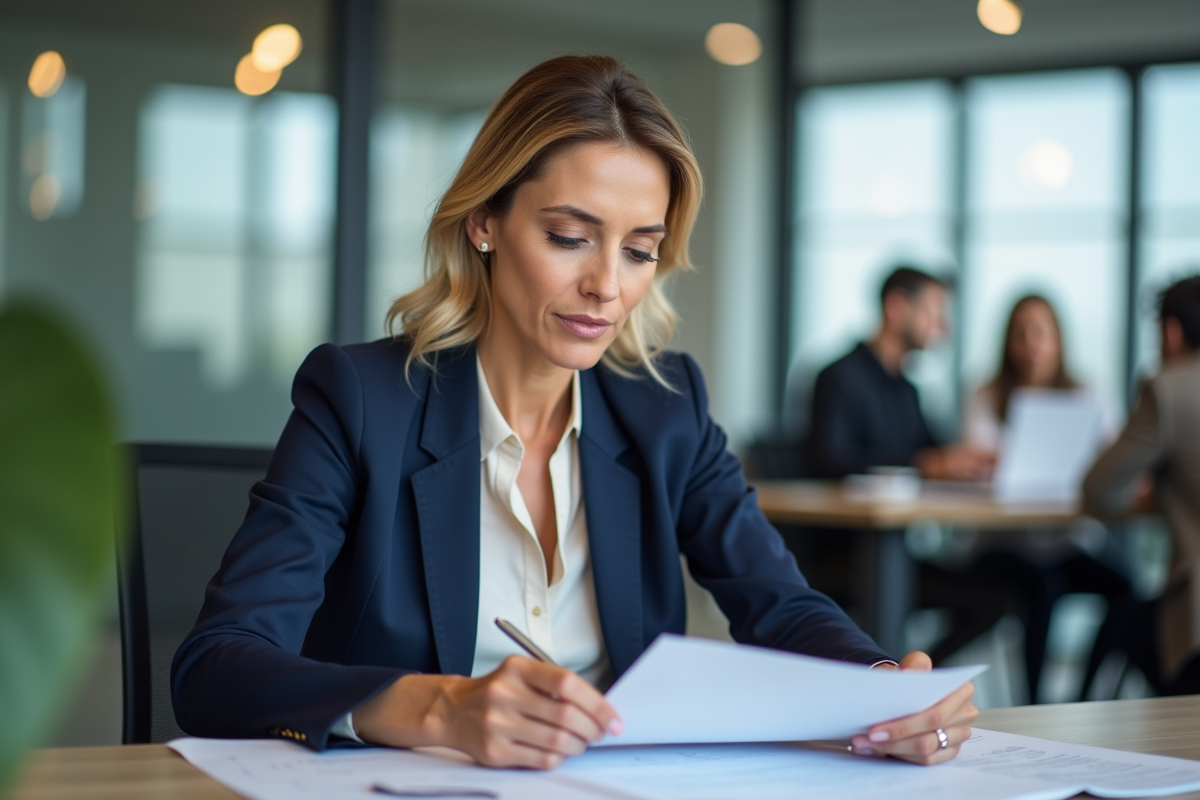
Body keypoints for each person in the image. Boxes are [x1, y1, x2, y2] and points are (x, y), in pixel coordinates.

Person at [171, 56, 976, 769]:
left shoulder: (665, 408)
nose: (608, 286)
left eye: (638, 250)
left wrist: (883, 690)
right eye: (569, 236)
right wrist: (440, 707)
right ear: (484, 222)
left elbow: (781, 602)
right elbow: (218, 664)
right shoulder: (360, 400)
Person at [961, 295, 1132, 703]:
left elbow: (1115, 460)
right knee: (1043, 586)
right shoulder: (986, 394)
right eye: (1021, 333)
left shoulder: (1088, 393)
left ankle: (1086, 695)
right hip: (1002, 544)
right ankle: (1034, 704)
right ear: (1008, 342)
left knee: (1126, 586)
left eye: (1041, 332)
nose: (1031, 343)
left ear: (1058, 339)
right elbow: (975, 463)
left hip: (1066, 541)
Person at [1081, 275, 1200, 696]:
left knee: (1121, 624)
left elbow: (1099, 488)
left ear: (1171, 331)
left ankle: (1074, 719)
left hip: (1196, 626)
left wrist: (1158, 486)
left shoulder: (1167, 388)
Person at [807, 267, 993, 481]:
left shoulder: (907, 390)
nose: (942, 328)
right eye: (933, 313)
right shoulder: (838, 379)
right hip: (851, 512)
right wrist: (921, 465)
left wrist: (967, 459)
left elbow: (933, 451)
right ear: (896, 308)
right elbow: (830, 462)